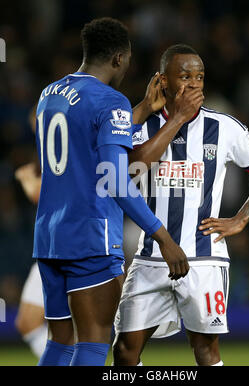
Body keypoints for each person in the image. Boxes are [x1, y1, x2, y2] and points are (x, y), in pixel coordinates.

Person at [33, 19, 203, 367]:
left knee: (61, 341)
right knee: (95, 342)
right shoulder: (111, 100)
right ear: (119, 59)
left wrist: (139, 111)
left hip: (50, 237)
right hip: (90, 236)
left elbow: (86, 143)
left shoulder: (49, 94)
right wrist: (163, 238)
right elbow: (115, 178)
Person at [112, 44, 249, 366]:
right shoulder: (143, 126)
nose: (194, 84)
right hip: (151, 258)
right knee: (124, 351)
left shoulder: (224, 127)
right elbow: (129, 172)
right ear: (163, 81)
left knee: (205, 351)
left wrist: (241, 219)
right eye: (185, 76)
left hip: (204, 259)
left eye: (199, 77)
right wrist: (174, 119)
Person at [14, 161, 46, 359]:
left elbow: (40, 194)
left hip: (63, 254)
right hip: (51, 253)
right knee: (27, 323)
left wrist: (26, 178)